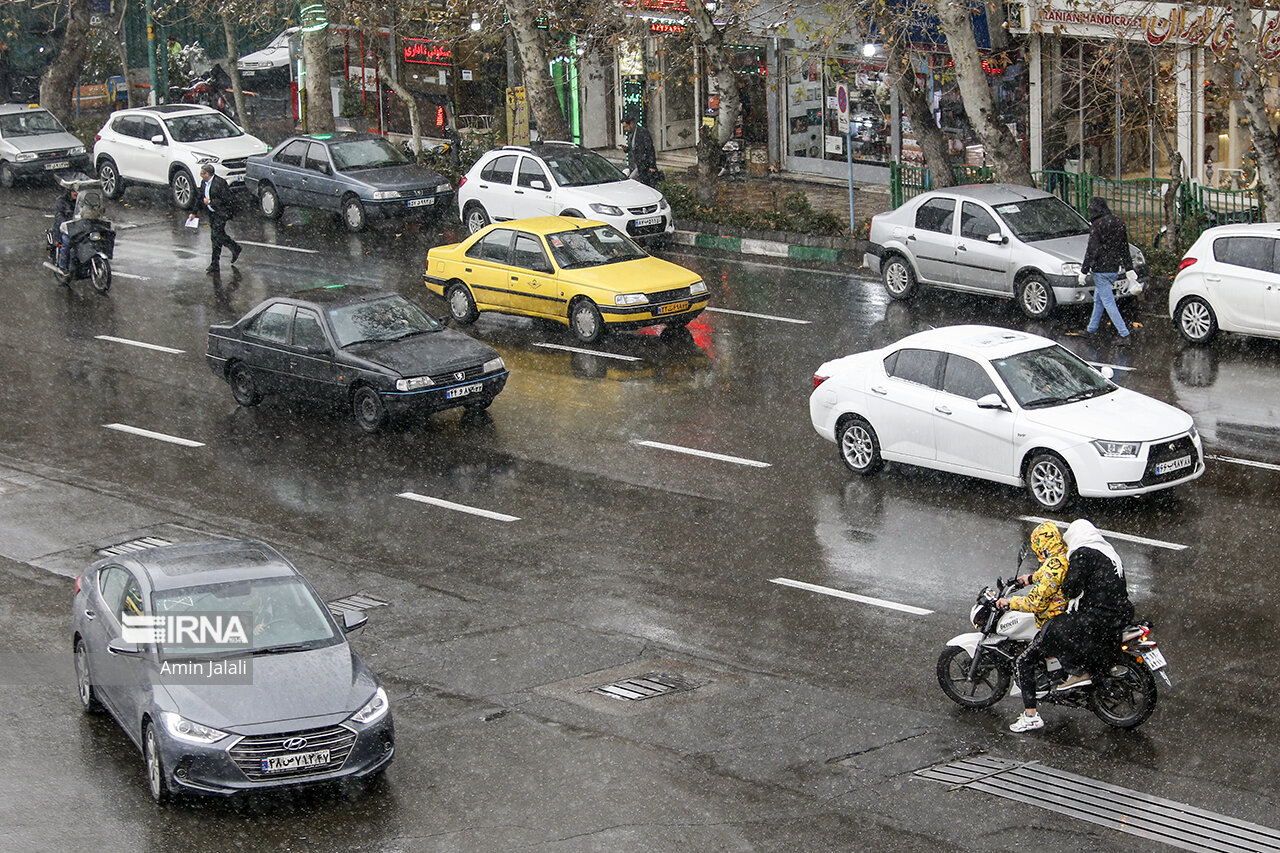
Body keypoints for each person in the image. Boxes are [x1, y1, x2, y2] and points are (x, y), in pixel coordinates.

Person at [1002, 521, 1071, 733]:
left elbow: (1035, 603)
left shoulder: (1054, 567)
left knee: (1024, 661)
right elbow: (1046, 576)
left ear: (1042, 545)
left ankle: (1031, 716)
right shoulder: (1061, 557)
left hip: (1055, 623)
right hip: (1065, 619)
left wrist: (1009, 603)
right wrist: (1029, 579)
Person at [1079, 196, 1137, 345]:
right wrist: (1129, 268)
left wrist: (1084, 271)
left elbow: (1092, 249)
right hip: (1114, 268)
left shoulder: (1097, 225)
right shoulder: (1118, 223)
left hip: (1101, 270)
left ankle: (1124, 334)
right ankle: (1091, 329)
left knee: (1108, 302)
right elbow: (1124, 247)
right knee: (1099, 299)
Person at [195, 163, 240, 273]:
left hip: (222, 213)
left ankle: (220, 259)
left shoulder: (220, 183)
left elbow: (227, 199)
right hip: (212, 213)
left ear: (208, 174)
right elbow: (200, 197)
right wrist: (193, 212)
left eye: (202, 173)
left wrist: (211, 202)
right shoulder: (204, 183)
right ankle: (229, 251)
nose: (200, 175)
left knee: (216, 235)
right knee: (216, 237)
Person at [621, 112, 659, 188]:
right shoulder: (631, 134)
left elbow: (650, 149)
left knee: (634, 181)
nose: (625, 129)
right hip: (635, 164)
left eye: (626, 127)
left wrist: (652, 165)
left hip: (643, 164)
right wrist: (627, 149)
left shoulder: (642, 132)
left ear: (631, 124)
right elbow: (634, 148)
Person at [53, 185, 78, 272]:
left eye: (78, 191)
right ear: (69, 191)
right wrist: (65, 222)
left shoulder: (82, 201)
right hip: (64, 229)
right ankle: (63, 266)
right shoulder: (61, 201)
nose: (76, 193)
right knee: (67, 242)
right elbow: (59, 215)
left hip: (79, 228)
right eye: (74, 191)